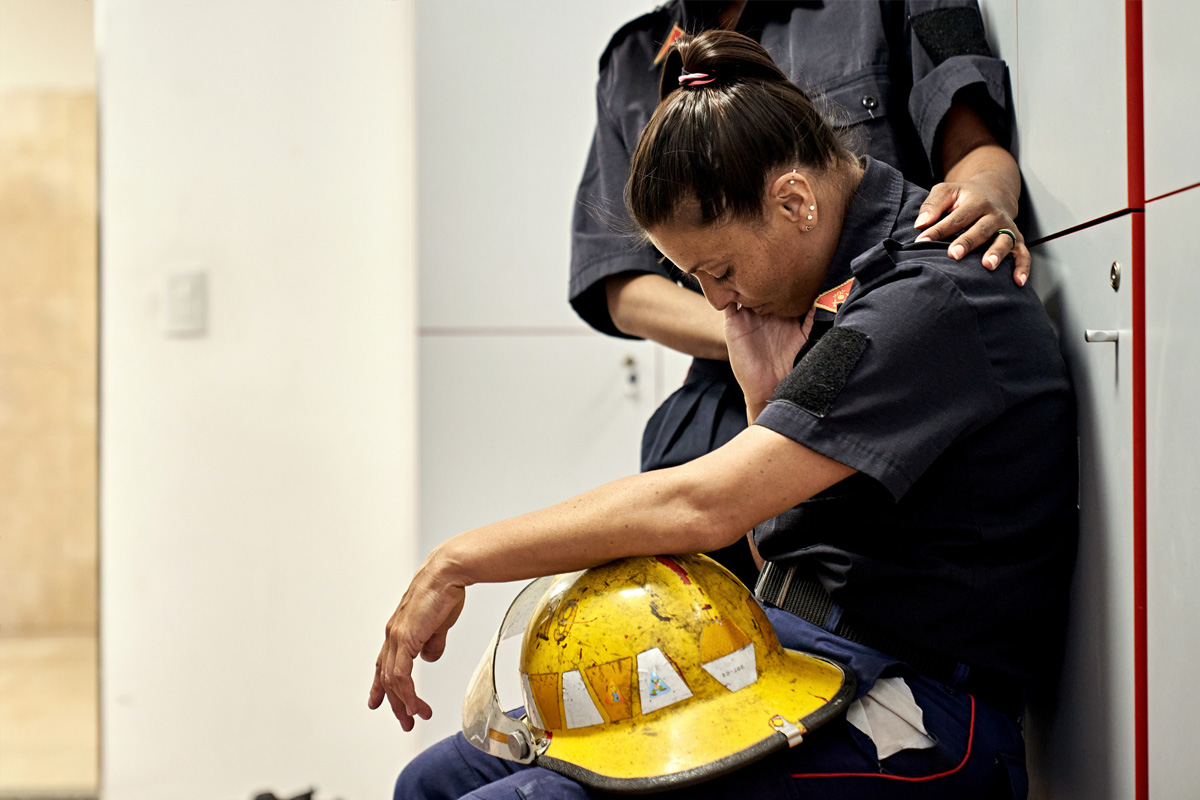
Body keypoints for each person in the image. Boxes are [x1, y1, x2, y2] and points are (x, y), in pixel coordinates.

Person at [374, 29, 1075, 800]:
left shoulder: (921, 303)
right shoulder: (848, 290)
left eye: (720, 270)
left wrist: (459, 560)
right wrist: (759, 395)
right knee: (433, 784)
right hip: (798, 651)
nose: (714, 301)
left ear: (795, 201)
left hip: (924, 709)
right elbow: (770, 544)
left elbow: (701, 504)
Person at [570, 0, 1030, 587]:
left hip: (878, 371)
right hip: (730, 386)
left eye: (721, 273)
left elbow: (972, 152)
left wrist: (985, 202)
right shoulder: (633, 58)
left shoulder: (872, 8)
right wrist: (756, 335)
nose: (711, 292)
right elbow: (621, 284)